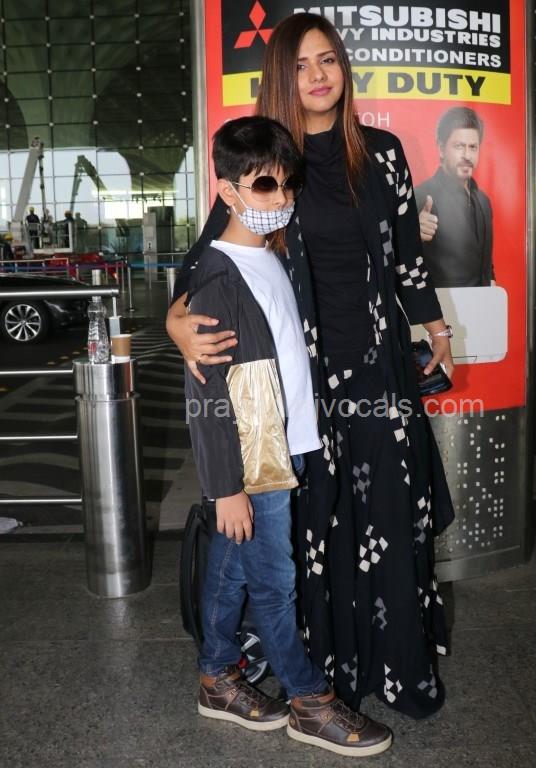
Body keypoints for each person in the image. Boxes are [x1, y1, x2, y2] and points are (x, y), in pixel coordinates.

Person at [168, 12, 455, 720]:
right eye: (300, 65)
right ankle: (324, 676)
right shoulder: (268, 160)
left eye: (328, 60)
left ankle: (398, 668)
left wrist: (436, 327)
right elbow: (207, 256)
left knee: (390, 514)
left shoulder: (382, 153)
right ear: (281, 78)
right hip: (305, 379)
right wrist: (176, 321)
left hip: (381, 368)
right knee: (317, 525)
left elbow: (407, 258)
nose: (319, 75)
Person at [185, 115, 391, 757]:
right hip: (255, 462)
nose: (282, 197)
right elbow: (207, 397)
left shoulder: (270, 255)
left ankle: (217, 678)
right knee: (274, 583)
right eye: (265, 185)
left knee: (233, 569)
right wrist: (225, 488)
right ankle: (309, 702)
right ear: (228, 191)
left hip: (285, 444)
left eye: (288, 183)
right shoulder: (219, 275)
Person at [415, 106, 494, 287]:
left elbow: (484, 258)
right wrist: (413, 234)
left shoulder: (483, 201)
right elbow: (397, 257)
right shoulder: (420, 196)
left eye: (473, 147)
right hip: (441, 302)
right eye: (459, 146)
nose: (467, 156)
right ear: (441, 148)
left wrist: (491, 280)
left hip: (482, 301)